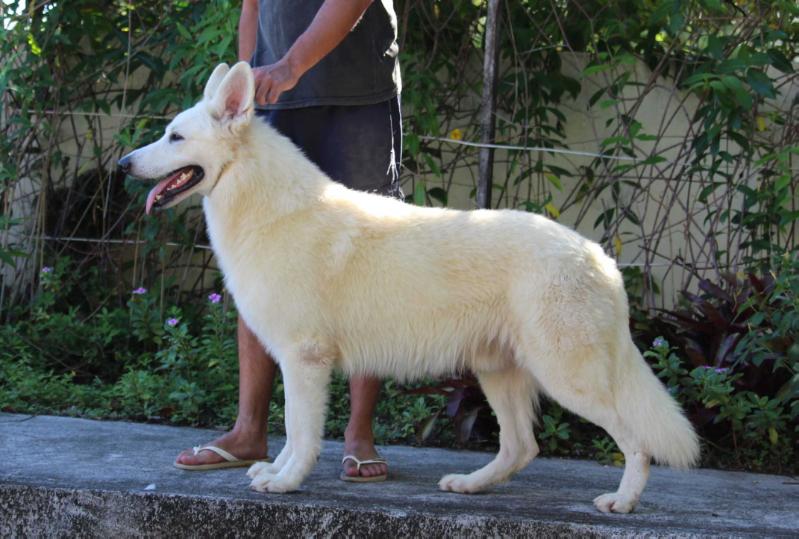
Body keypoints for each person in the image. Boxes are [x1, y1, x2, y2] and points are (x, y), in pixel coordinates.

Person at [175, 0, 402, 482]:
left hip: (357, 94)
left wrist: (292, 63)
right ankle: (248, 431)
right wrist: (244, 91)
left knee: (372, 258)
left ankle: (358, 434)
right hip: (275, 97)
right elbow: (253, 6)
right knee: (257, 256)